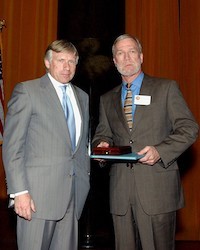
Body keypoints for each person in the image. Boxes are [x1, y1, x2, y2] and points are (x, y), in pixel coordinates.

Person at [92, 34, 199, 250]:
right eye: (120, 53)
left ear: (141, 56)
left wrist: (160, 151)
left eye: (131, 51)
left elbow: (189, 128)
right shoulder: (107, 99)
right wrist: (102, 145)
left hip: (157, 190)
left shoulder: (166, 88)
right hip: (120, 193)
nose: (126, 57)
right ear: (114, 61)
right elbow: (103, 134)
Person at [3, 40, 90, 250]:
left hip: (72, 197)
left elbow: (77, 148)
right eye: (61, 60)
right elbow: (12, 146)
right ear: (47, 62)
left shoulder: (82, 97)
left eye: (71, 61)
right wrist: (19, 192)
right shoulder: (28, 91)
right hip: (36, 199)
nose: (67, 66)